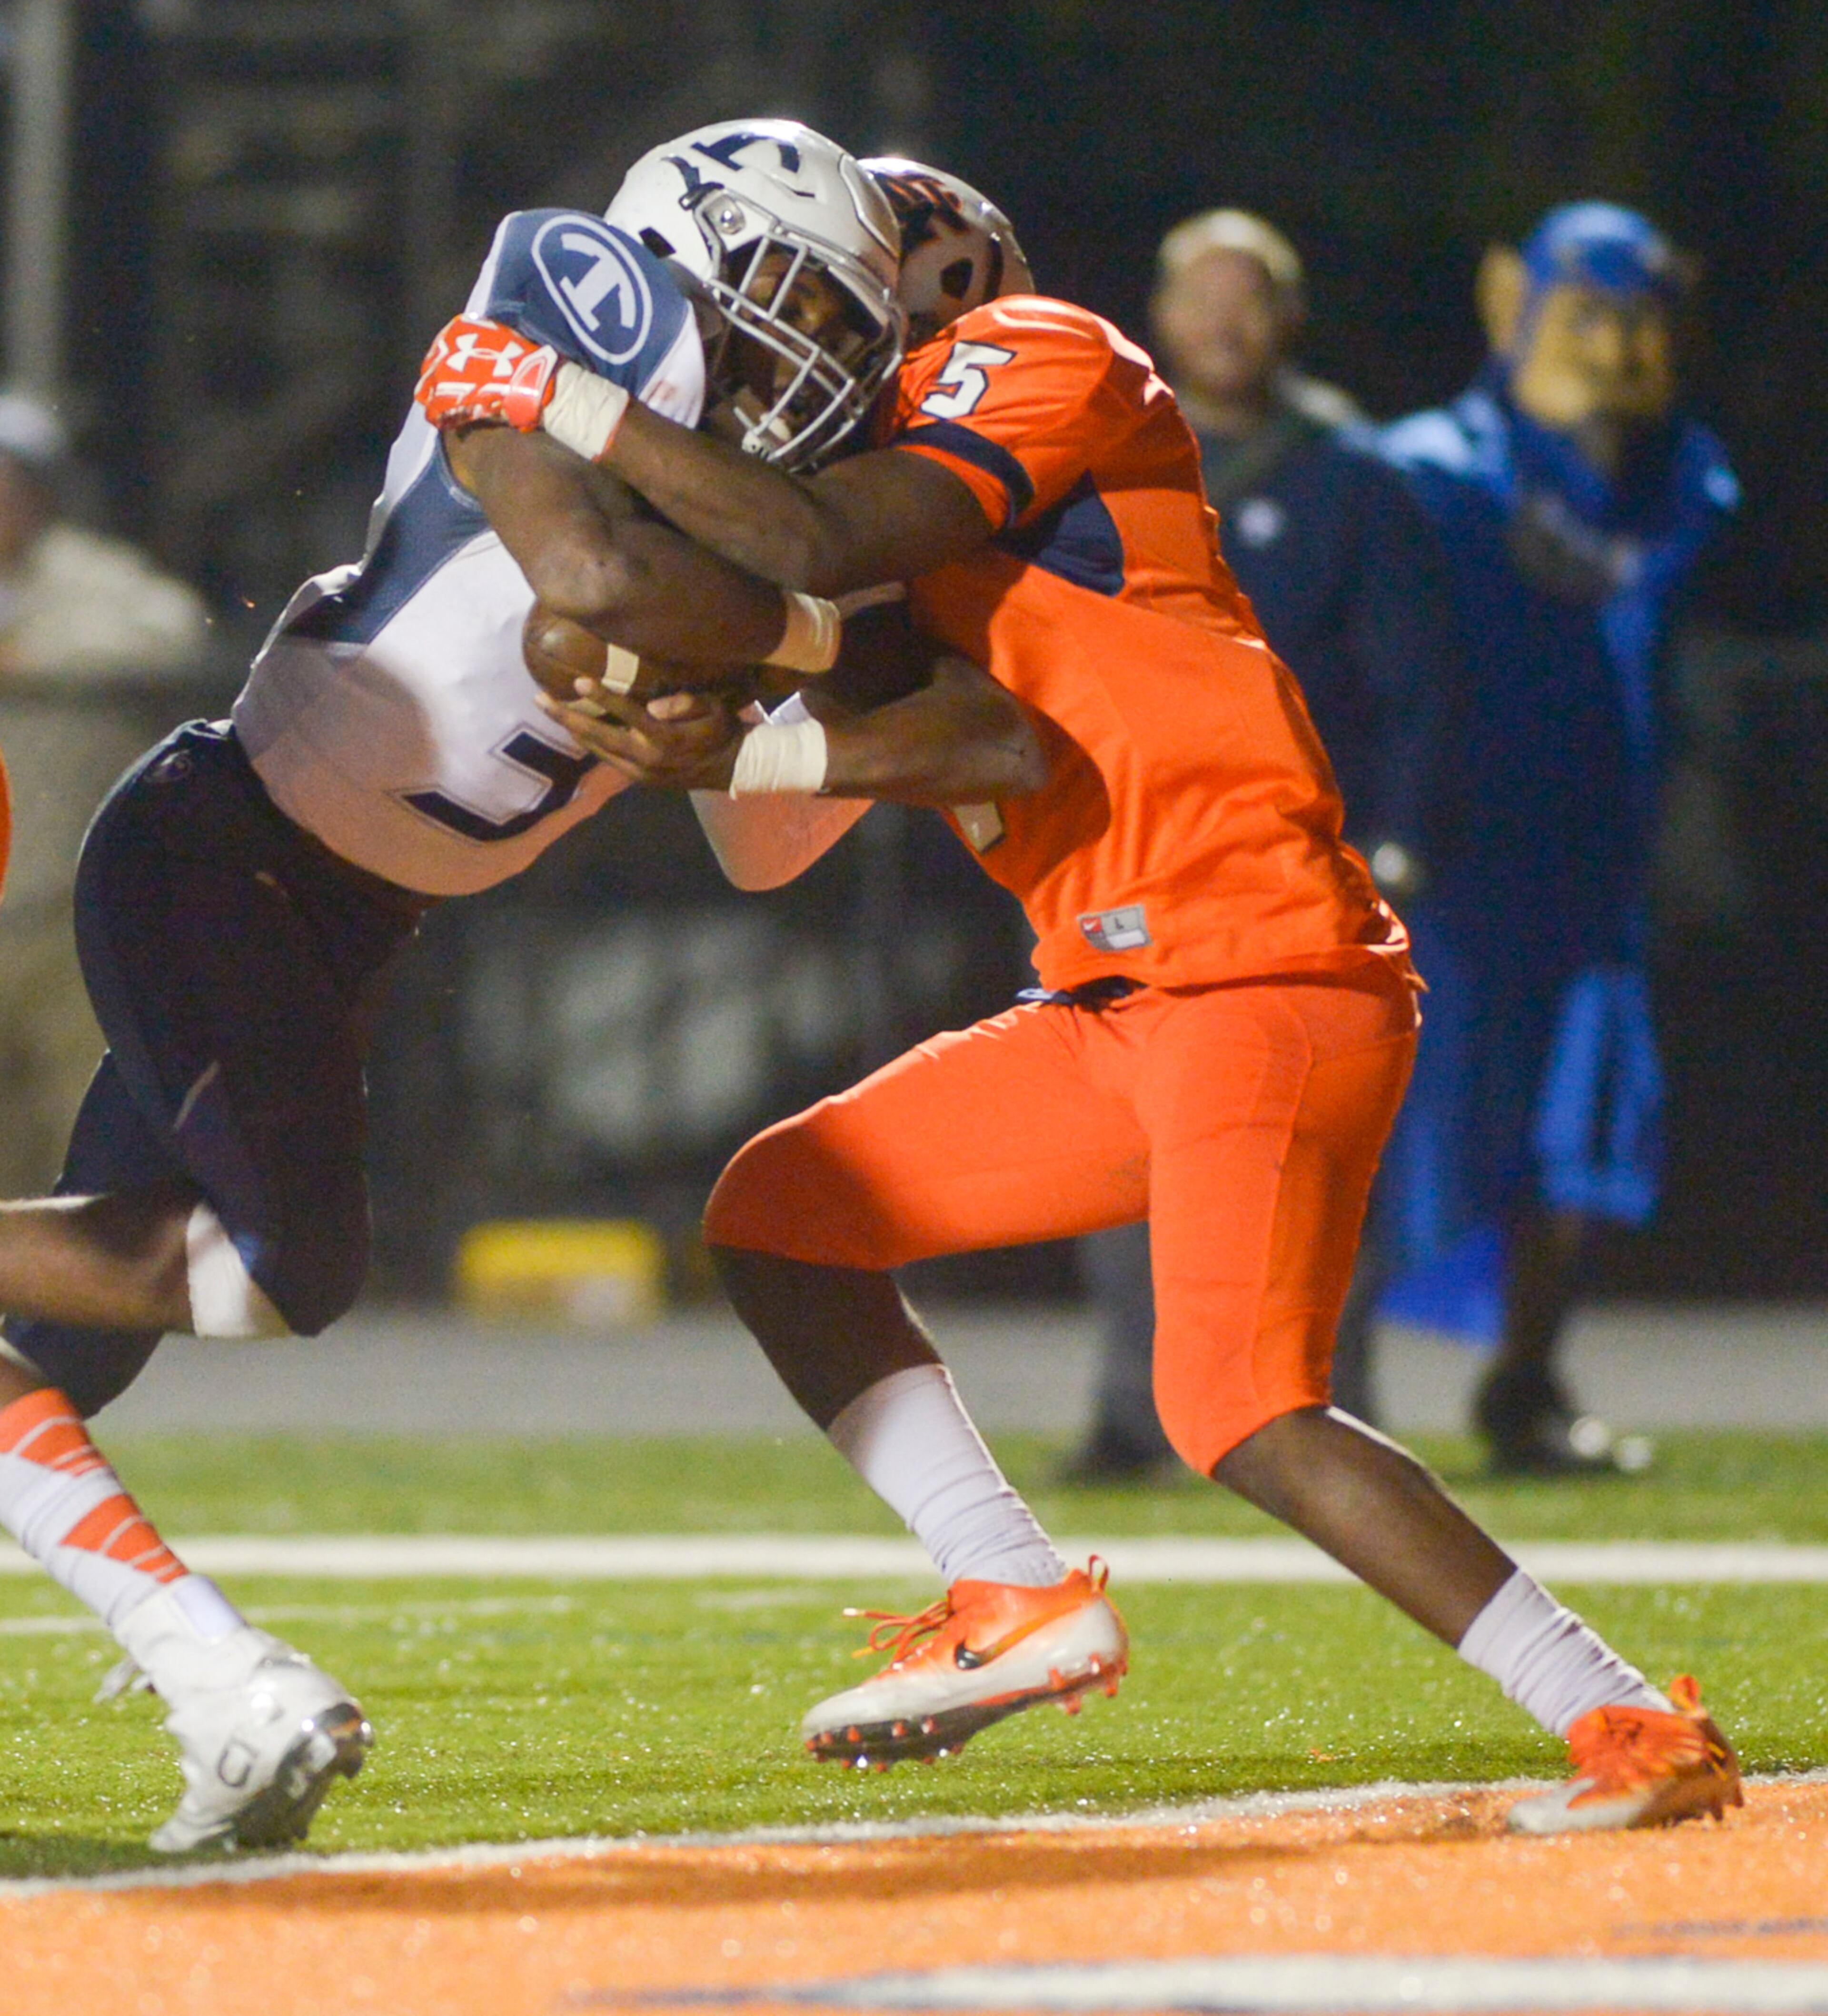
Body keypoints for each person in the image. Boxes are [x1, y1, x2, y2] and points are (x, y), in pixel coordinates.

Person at [421, 171, 1742, 1836]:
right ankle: (1011, 1592)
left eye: (851, 292)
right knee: (785, 1211)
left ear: (950, 266)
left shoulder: (1044, 352)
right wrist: (679, 682)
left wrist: (559, 396)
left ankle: (1626, 1718)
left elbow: (819, 555)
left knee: (1239, 1401)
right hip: (1126, 996)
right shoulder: (920, 522)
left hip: (1255, 961)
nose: (822, 332)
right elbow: (958, 736)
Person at [0, 119, 912, 1852]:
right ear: (690, 242)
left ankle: (207, 1680)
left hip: (341, 915)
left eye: (844, 329)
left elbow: (763, 843)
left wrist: (755, 724)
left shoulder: (733, 505)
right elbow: (594, 573)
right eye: (793, 291)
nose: (810, 353)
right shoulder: (574, 290)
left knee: (61, 1346)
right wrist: (819, 634)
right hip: (225, 844)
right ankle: (217, 1670)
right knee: (291, 1265)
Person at [1065, 210, 1463, 1476]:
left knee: (1325, 1128)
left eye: (1250, 301)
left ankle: (1321, 1405)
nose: (1223, 327)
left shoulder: (1351, 473)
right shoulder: (1104, 463)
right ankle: (1137, 1412)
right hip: (1139, 861)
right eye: (1202, 300)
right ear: (1161, 316)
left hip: (1298, 873)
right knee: (1124, 1128)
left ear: (1288, 320)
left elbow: (1421, 683)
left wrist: (1398, 835)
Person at [1379, 203, 1738, 1474]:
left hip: (1595, 865)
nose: (1621, 344)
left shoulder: (1681, 475)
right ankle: (1310, 1383)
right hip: (1448, 862)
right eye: (1590, 309)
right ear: (1509, 300)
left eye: (1645, 316)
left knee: (1577, 1143)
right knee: (1406, 1129)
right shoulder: (1424, 469)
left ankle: (1525, 1382)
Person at [0, 392, 211, 1198]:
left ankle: (72, 1315)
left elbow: (173, 634)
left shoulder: (94, 583)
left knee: (84, 1131)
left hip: (66, 912)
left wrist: (34, 658)